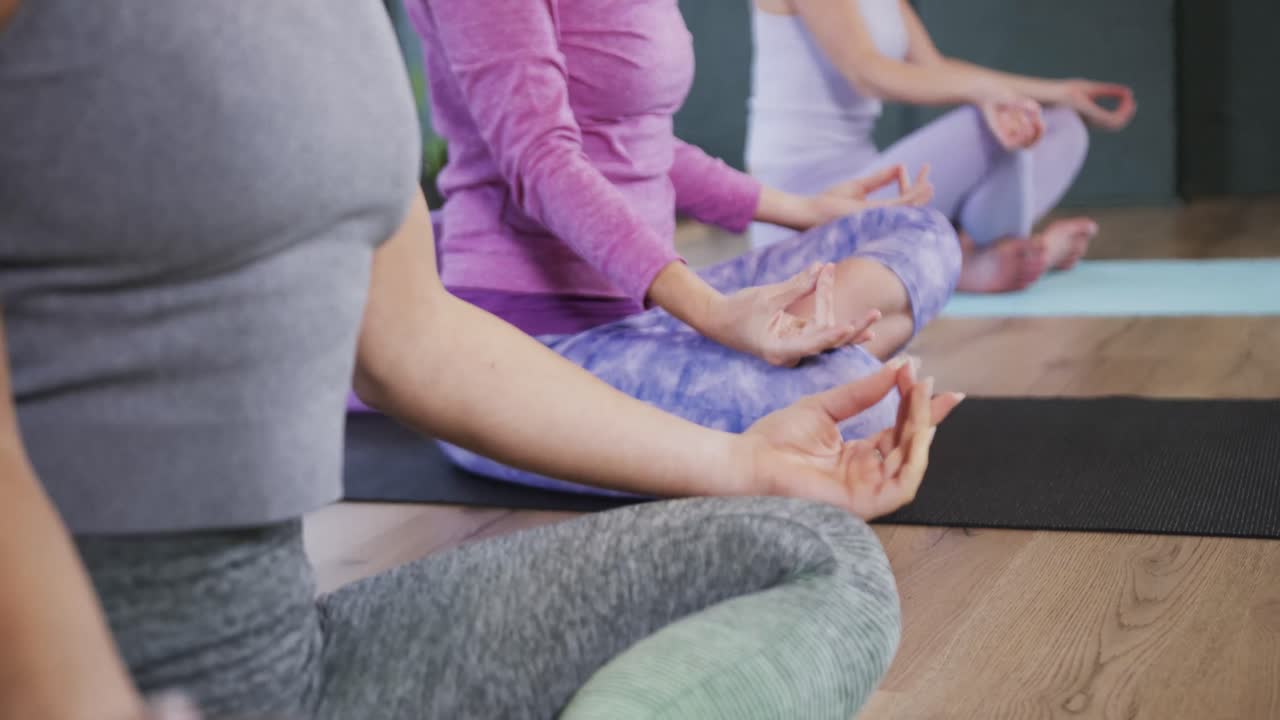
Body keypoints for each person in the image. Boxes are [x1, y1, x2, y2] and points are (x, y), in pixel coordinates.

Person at [0, 2, 962, 719]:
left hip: (279, 663)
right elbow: (542, 160)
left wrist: (744, 465)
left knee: (810, 553)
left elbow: (415, 338)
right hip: (98, 663)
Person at [400, 0, 962, 495]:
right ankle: (798, 366)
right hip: (530, 348)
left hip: (648, 315)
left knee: (923, 236)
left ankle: (785, 357)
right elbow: (539, 156)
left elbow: (640, 143)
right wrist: (715, 314)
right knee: (863, 409)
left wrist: (804, 210)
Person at [746, 0, 1138, 293]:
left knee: (1064, 125)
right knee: (990, 125)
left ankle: (972, 256)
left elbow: (932, 67)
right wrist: (993, 98)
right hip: (801, 210)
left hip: (867, 180)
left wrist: (1059, 92)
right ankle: (1002, 254)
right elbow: (865, 71)